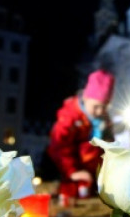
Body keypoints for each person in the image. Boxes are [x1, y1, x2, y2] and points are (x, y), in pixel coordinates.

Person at [47, 69, 115, 200]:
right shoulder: (70, 117)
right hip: (72, 172)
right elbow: (59, 145)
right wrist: (72, 172)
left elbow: (109, 146)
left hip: (95, 172)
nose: (100, 111)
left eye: (104, 107)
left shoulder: (104, 120)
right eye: (96, 106)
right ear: (85, 97)